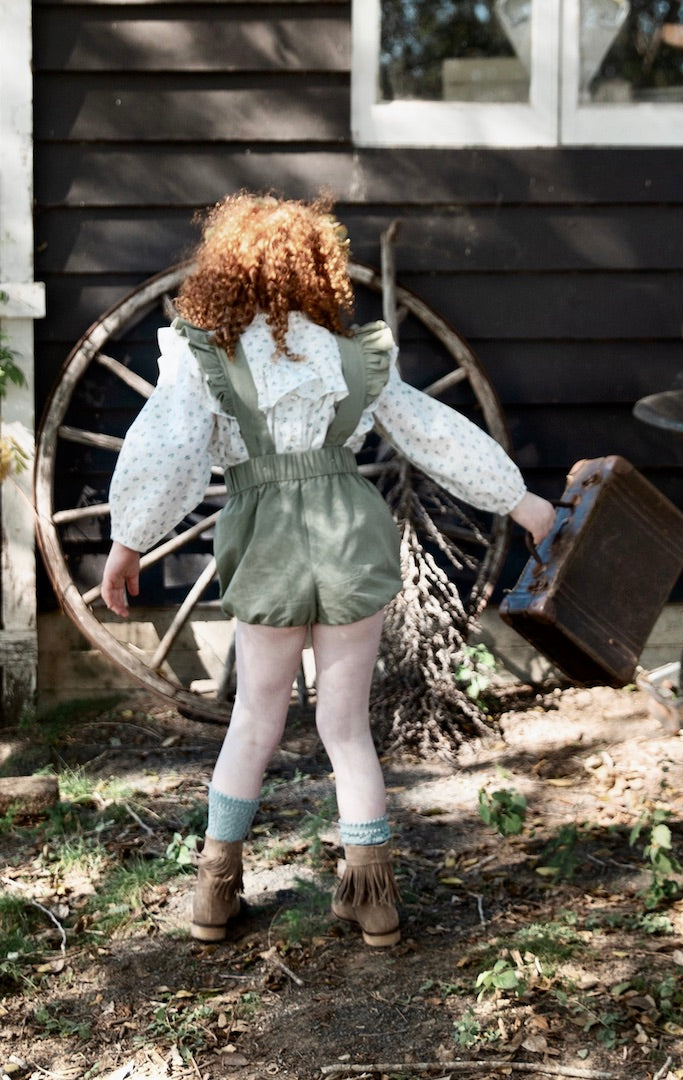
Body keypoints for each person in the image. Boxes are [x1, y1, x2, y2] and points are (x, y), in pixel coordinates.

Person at [101, 192, 555, 946]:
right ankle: (373, 900)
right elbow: (434, 434)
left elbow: (167, 447)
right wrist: (524, 504)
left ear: (228, 271)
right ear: (317, 272)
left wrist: (129, 540)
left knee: (254, 719)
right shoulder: (353, 358)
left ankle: (214, 895)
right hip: (351, 533)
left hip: (265, 540)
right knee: (345, 728)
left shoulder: (205, 354)